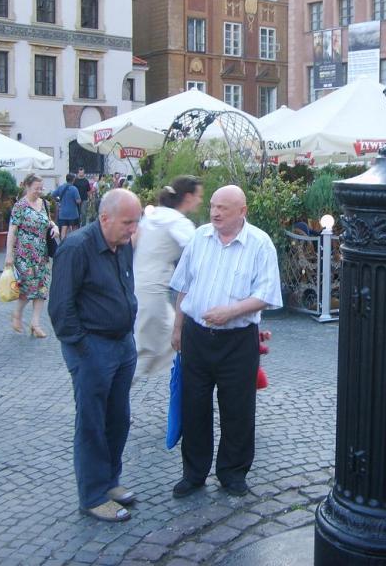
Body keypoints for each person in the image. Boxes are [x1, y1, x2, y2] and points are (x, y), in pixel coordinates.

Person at [169, 185, 282, 498]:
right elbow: (183, 286)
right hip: (196, 336)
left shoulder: (260, 243)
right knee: (193, 406)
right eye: (213, 206)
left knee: (238, 409)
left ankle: (233, 473)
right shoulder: (199, 237)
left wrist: (230, 312)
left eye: (223, 208)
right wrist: (177, 327)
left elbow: (267, 294)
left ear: (242, 211)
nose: (215, 213)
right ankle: (193, 473)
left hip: (237, 340)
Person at [48, 189, 143, 523]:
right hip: (93, 348)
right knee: (92, 422)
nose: (133, 229)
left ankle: (109, 482)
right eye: (128, 222)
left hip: (122, 344)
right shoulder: (76, 248)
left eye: (136, 222)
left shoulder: (122, 244)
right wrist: (84, 349)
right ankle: (92, 496)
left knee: (118, 418)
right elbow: (60, 308)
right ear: (104, 218)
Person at [133, 176, 203, 378]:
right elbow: (199, 250)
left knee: (172, 340)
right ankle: (110, 393)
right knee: (147, 351)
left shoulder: (157, 214)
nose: (200, 201)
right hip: (153, 289)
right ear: (188, 197)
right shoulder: (178, 222)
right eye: (199, 196)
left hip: (142, 284)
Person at [4, 174, 59, 338]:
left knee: (41, 288)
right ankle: (17, 314)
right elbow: (12, 231)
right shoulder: (20, 206)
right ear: (27, 187)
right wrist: (9, 254)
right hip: (24, 254)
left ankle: (35, 324)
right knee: (28, 286)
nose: (39, 191)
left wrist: (55, 227)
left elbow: (48, 221)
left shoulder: (45, 204)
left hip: (42, 253)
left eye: (41, 188)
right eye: (36, 188)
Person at [52, 174, 82, 241]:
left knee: (64, 229)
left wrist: (58, 200)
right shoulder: (74, 189)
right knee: (74, 230)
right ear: (73, 180)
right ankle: (73, 242)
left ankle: (63, 244)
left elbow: (53, 195)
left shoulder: (60, 187)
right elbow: (78, 201)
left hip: (63, 213)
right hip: (73, 213)